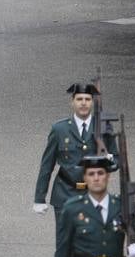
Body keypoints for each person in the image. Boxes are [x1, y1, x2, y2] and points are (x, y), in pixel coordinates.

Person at [34, 82, 119, 233]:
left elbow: (117, 160)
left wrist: (109, 161)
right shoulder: (59, 129)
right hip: (64, 194)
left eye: (87, 99)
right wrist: (39, 198)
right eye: (79, 99)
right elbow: (47, 165)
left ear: (92, 102)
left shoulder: (104, 127)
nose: (83, 103)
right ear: (72, 102)